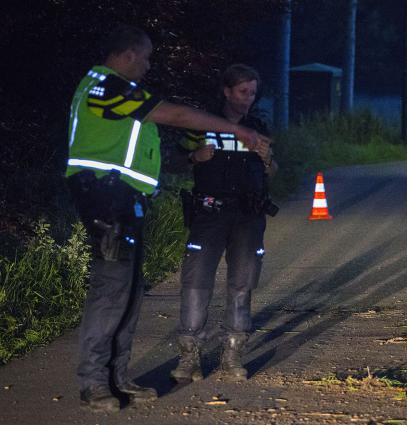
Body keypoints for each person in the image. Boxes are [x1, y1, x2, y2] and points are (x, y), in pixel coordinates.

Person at [66, 25, 270, 412]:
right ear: (127, 55)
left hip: (125, 200)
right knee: (111, 291)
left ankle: (118, 377)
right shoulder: (104, 86)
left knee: (128, 291)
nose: (147, 65)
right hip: (105, 199)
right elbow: (173, 115)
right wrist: (234, 129)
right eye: (145, 57)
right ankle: (94, 383)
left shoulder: (120, 89)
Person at [169, 64, 277, 384]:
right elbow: (173, 160)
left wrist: (267, 158)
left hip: (249, 215)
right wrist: (194, 158)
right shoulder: (201, 126)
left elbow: (273, 171)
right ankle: (189, 358)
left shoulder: (258, 126)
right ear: (227, 91)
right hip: (209, 213)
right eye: (243, 91)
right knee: (196, 281)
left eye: (253, 93)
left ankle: (232, 355)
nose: (248, 98)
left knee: (243, 284)